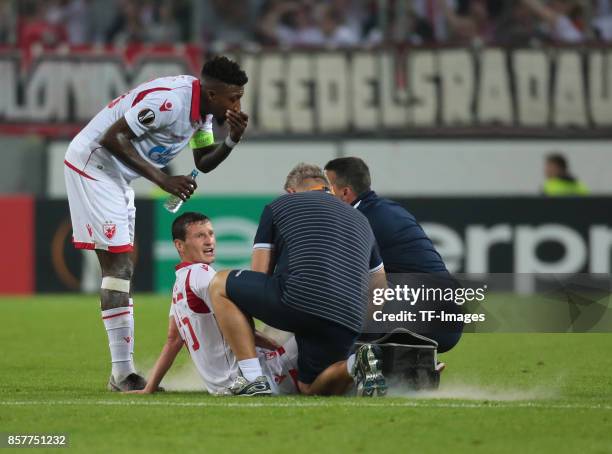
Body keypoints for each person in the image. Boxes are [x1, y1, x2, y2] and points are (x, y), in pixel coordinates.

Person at [64, 56, 249, 391]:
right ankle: (123, 374)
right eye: (233, 98)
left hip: (118, 177)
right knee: (118, 268)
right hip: (93, 165)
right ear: (211, 93)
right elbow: (111, 138)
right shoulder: (170, 102)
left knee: (120, 269)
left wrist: (233, 140)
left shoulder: (202, 114)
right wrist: (163, 180)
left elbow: (203, 162)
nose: (237, 104)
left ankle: (122, 374)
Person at [207, 163, 388, 397]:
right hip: (348, 316)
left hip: (299, 300)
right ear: (327, 187)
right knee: (309, 387)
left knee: (220, 283)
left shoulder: (279, 205)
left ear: (291, 192)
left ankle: (253, 379)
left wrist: (254, 332)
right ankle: (356, 364)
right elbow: (380, 284)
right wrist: (359, 331)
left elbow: (259, 273)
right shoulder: (361, 219)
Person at [129, 212, 299, 396]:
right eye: (200, 236)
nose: (209, 241)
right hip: (260, 376)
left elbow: (173, 341)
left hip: (220, 388)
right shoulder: (202, 273)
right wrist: (276, 346)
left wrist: (149, 388)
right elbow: (236, 327)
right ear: (179, 245)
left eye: (211, 233)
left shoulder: (179, 284)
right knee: (320, 329)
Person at [324, 157, 462, 353]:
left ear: (345, 192)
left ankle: (338, 372)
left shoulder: (357, 221)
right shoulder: (390, 209)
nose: (324, 196)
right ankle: (413, 367)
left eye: (328, 189)